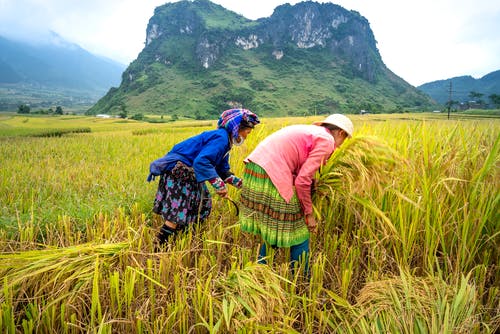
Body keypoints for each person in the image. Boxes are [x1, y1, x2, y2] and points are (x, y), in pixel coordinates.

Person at [239, 114, 354, 274]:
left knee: (277, 226)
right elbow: (302, 181)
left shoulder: (314, 132)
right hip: (271, 172)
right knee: (299, 230)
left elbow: (300, 169)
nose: (341, 145)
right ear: (341, 133)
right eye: (345, 140)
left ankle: (258, 274)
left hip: (257, 169)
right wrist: (309, 213)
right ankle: (301, 277)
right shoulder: (327, 141)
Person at [147, 108, 260, 248]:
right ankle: (158, 247)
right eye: (247, 132)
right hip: (180, 172)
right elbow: (202, 161)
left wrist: (242, 184)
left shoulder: (226, 142)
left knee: (202, 203)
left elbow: (222, 170)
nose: (246, 136)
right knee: (178, 212)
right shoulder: (221, 138)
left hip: (190, 172)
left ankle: (181, 239)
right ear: (236, 128)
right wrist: (218, 185)